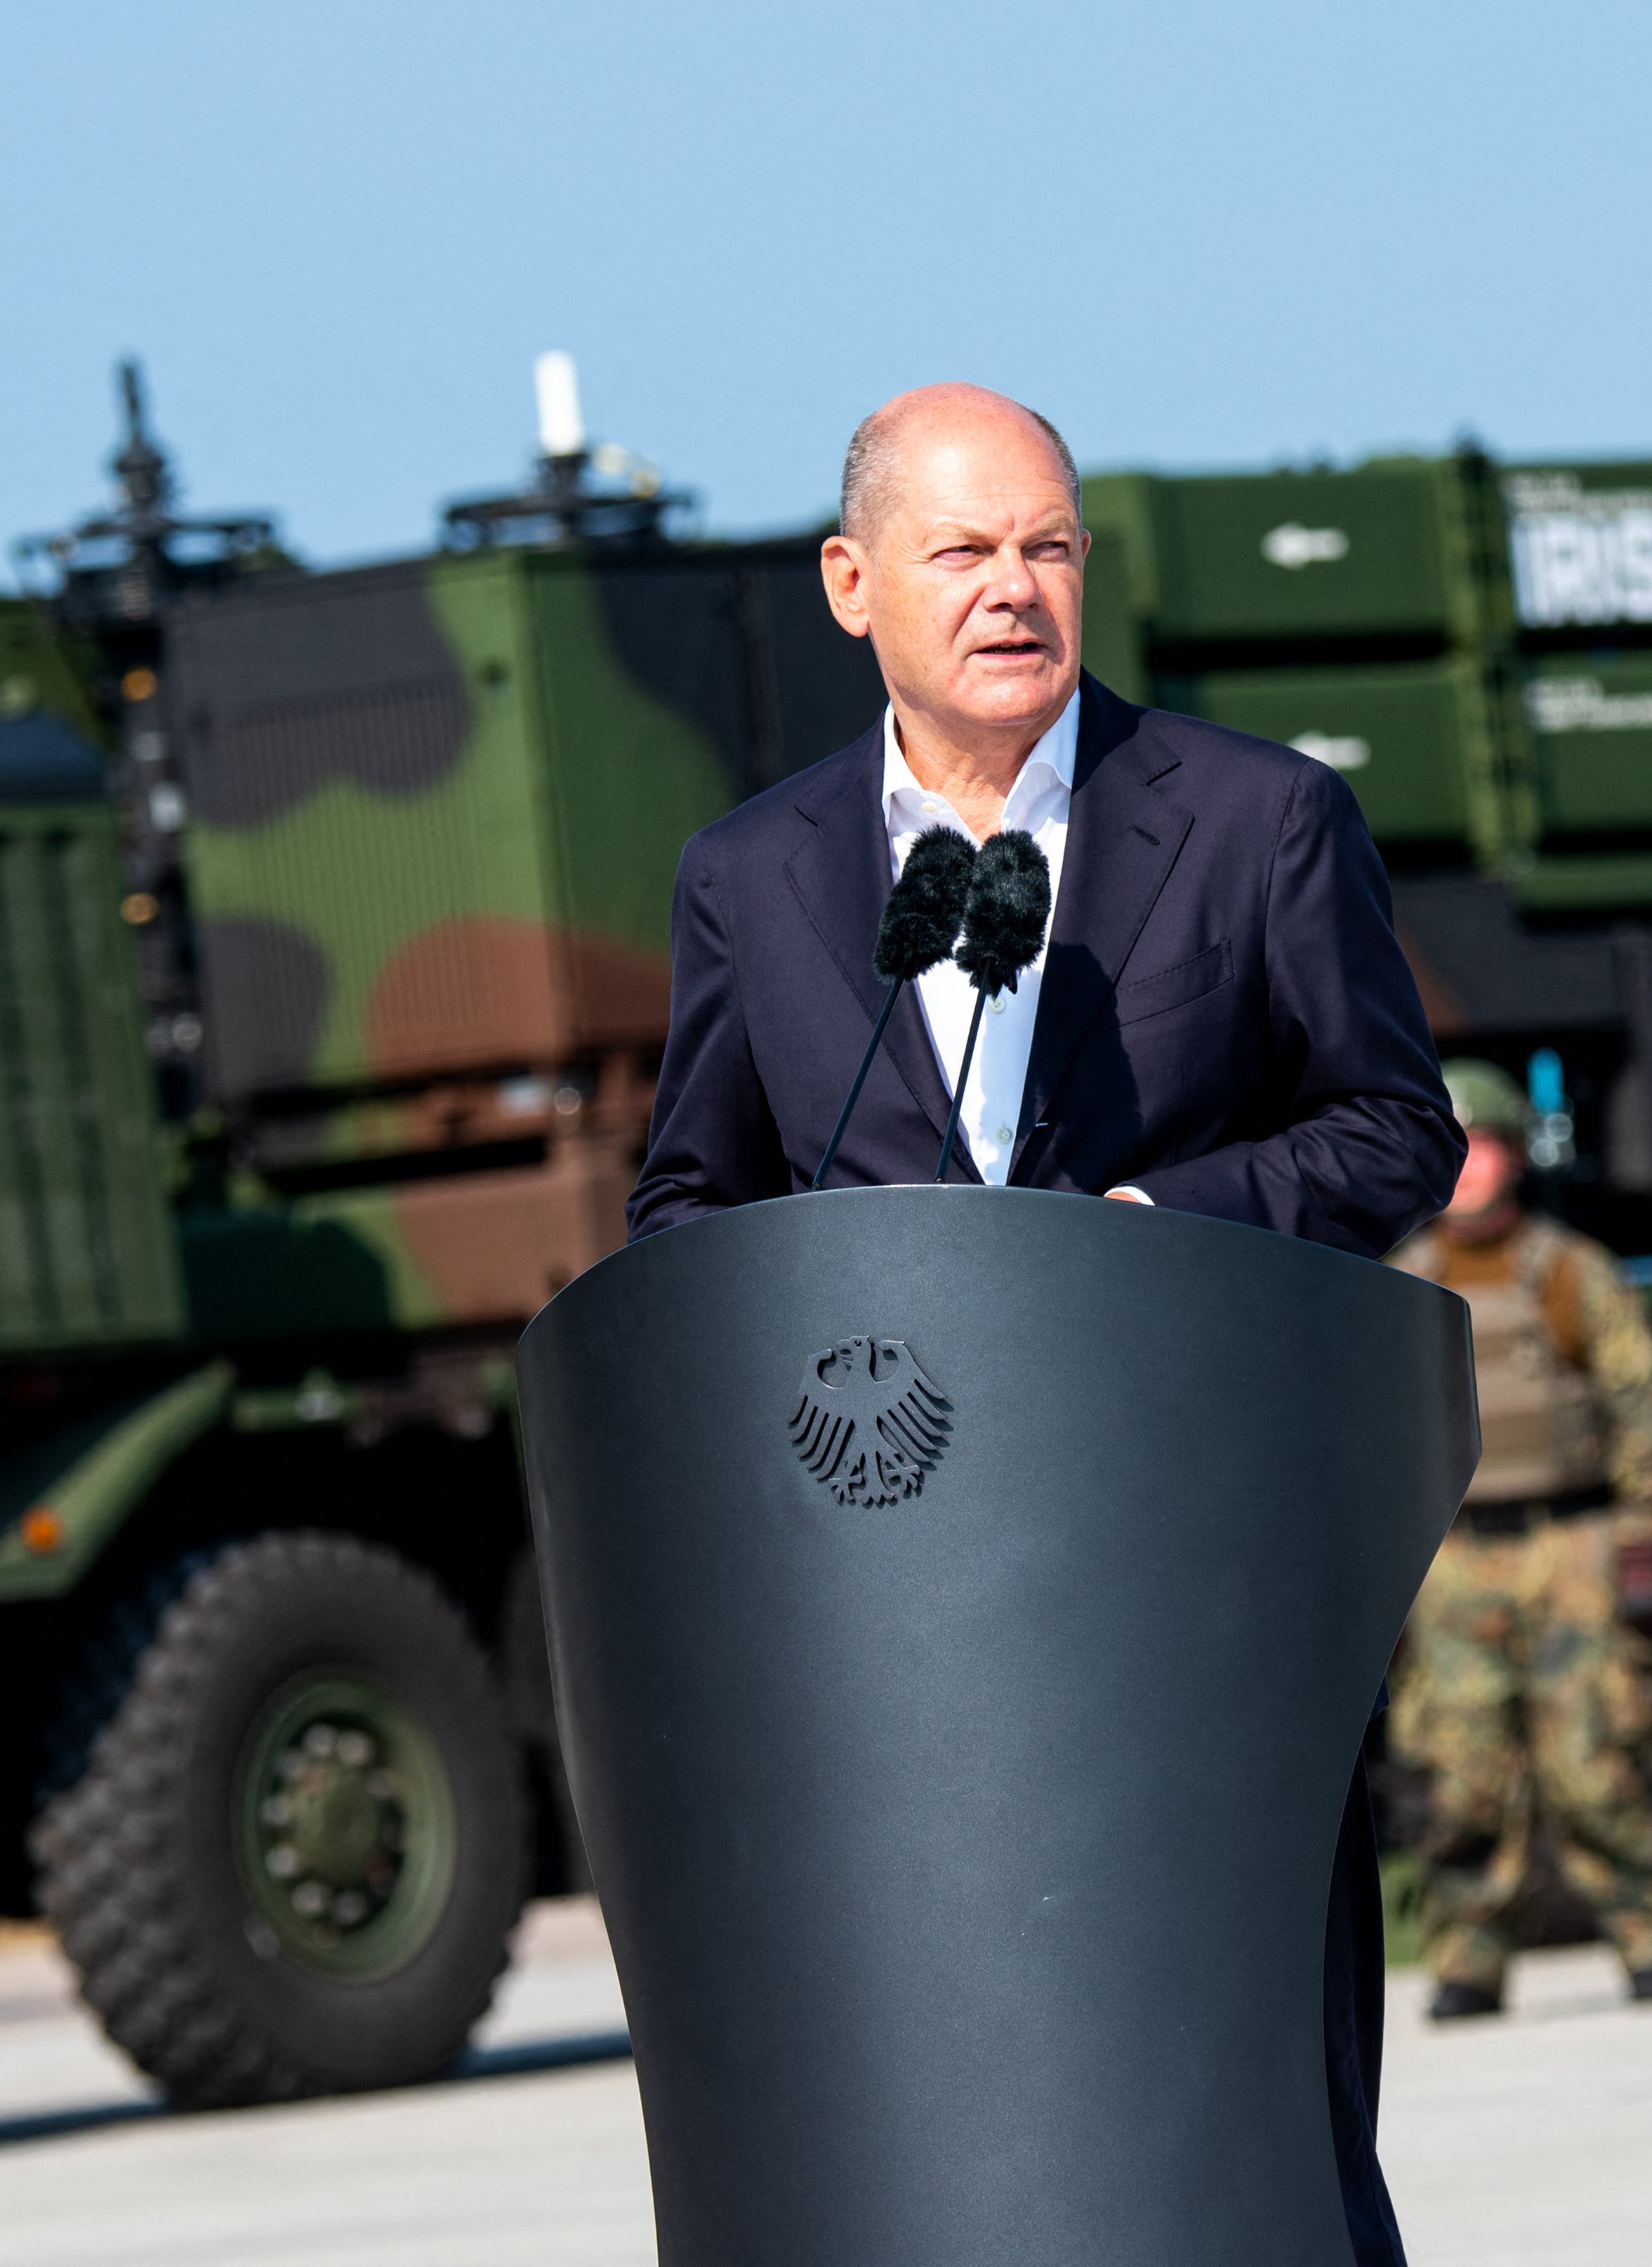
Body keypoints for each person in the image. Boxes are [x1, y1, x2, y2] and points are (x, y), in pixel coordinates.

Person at [628, 383, 1460, 2266]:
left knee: (1235, 2100)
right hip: (886, 1624)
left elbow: (1394, 1127)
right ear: (852, 584)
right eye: (963, 550)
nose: (1015, 588)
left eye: (1046, 547)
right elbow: (690, 1205)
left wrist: (1148, 1235)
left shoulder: (1255, 822)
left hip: (1199, 1584)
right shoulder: (750, 882)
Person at [1386, 1060, 1652, 2018]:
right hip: (1455, 1556)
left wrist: (1643, 1530)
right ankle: (1470, 1955)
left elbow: (1645, 1401)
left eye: (1487, 1146)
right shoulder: (1405, 1283)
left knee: (1596, 1760)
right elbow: (1369, 1426)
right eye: (1457, 1146)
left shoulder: (1570, 1272)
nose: (1471, 1167)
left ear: (1516, 1156)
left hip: (1572, 1545)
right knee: (1458, 1772)